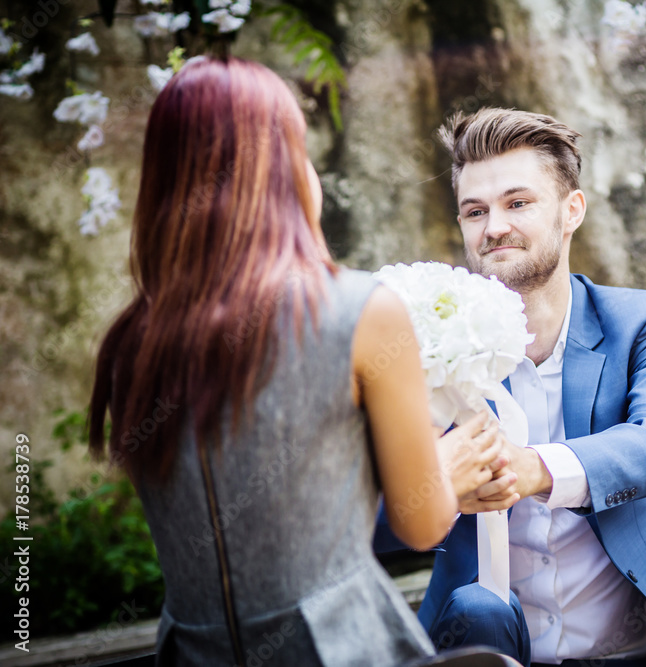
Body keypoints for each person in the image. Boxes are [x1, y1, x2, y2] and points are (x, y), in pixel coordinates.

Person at [86, 57, 504, 667]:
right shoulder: (358, 311)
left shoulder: (132, 345)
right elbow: (421, 525)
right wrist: (444, 462)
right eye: (298, 149)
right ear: (281, 170)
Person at [378, 108, 646, 667]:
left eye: (518, 202)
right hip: (484, 651)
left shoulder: (641, 319)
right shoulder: (423, 342)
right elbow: (360, 523)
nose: (494, 227)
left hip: (639, 651)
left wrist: (536, 468)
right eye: (475, 211)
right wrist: (435, 488)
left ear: (571, 210)